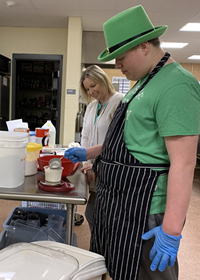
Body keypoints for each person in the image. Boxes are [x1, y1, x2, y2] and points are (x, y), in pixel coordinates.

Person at [65, 5, 200, 280]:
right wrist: (87, 152)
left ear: (143, 46)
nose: (116, 65)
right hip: (119, 205)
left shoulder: (177, 85)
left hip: (147, 210)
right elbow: (125, 145)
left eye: (120, 57)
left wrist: (171, 230)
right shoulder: (143, 83)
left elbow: (183, 163)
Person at [80, 65, 124, 234]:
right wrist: (86, 162)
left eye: (93, 85)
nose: (91, 91)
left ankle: (105, 252)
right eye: (87, 88)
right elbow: (85, 137)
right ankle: (100, 249)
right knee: (93, 215)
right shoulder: (91, 107)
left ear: (103, 80)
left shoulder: (119, 102)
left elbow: (118, 142)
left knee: (102, 217)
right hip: (93, 169)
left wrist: (96, 165)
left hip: (111, 170)